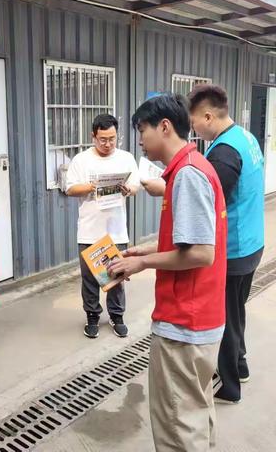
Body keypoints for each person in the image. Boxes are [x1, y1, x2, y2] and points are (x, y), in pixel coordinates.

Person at [107, 94, 227, 451]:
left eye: (142, 130)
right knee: (194, 409)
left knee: (178, 424)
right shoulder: (192, 166)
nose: (140, 140)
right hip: (200, 317)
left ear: (164, 126)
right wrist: (149, 250)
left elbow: (201, 254)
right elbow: (190, 244)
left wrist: (142, 263)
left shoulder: (187, 174)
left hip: (185, 323)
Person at [188, 84, 265, 404]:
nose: (193, 128)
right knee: (236, 310)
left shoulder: (223, 152)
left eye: (193, 121)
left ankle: (230, 386)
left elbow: (208, 199)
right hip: (253, 242)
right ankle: (241, 365)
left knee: (225, 318)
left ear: (208, 116)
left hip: (233, 250)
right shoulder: (244, 137)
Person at [65, 114, 140, 339]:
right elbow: (70, 189)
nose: (108, 144)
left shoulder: (126, 158)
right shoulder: (81, 160)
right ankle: (92, 316)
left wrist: (129, 189)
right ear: (93, 136)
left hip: (116, 230)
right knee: (90, 278)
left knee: (116, 276)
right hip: (89, 229)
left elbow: (135, 184)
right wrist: (92, 186)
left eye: (112, 139)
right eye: (102, 139)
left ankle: (117, 315)